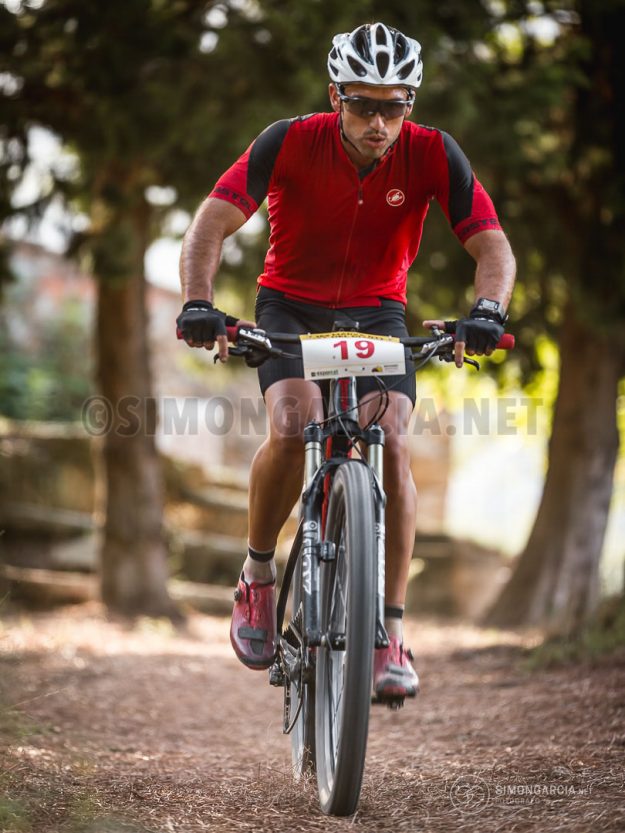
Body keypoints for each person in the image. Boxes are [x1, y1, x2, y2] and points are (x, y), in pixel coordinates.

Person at [177, 22, 516, 701]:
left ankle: (389, 630)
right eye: (362, 105)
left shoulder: (433, 153)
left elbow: (492, 247)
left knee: (391, 436)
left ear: (410, 104)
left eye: (394, 106)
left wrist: (488, 311)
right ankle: (257, 575)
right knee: (292, 422)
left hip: (377, 312)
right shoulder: (287, 140)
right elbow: (210, 223)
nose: (378, 123)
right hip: (289, 307)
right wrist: (197, 302)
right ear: (335, 96)